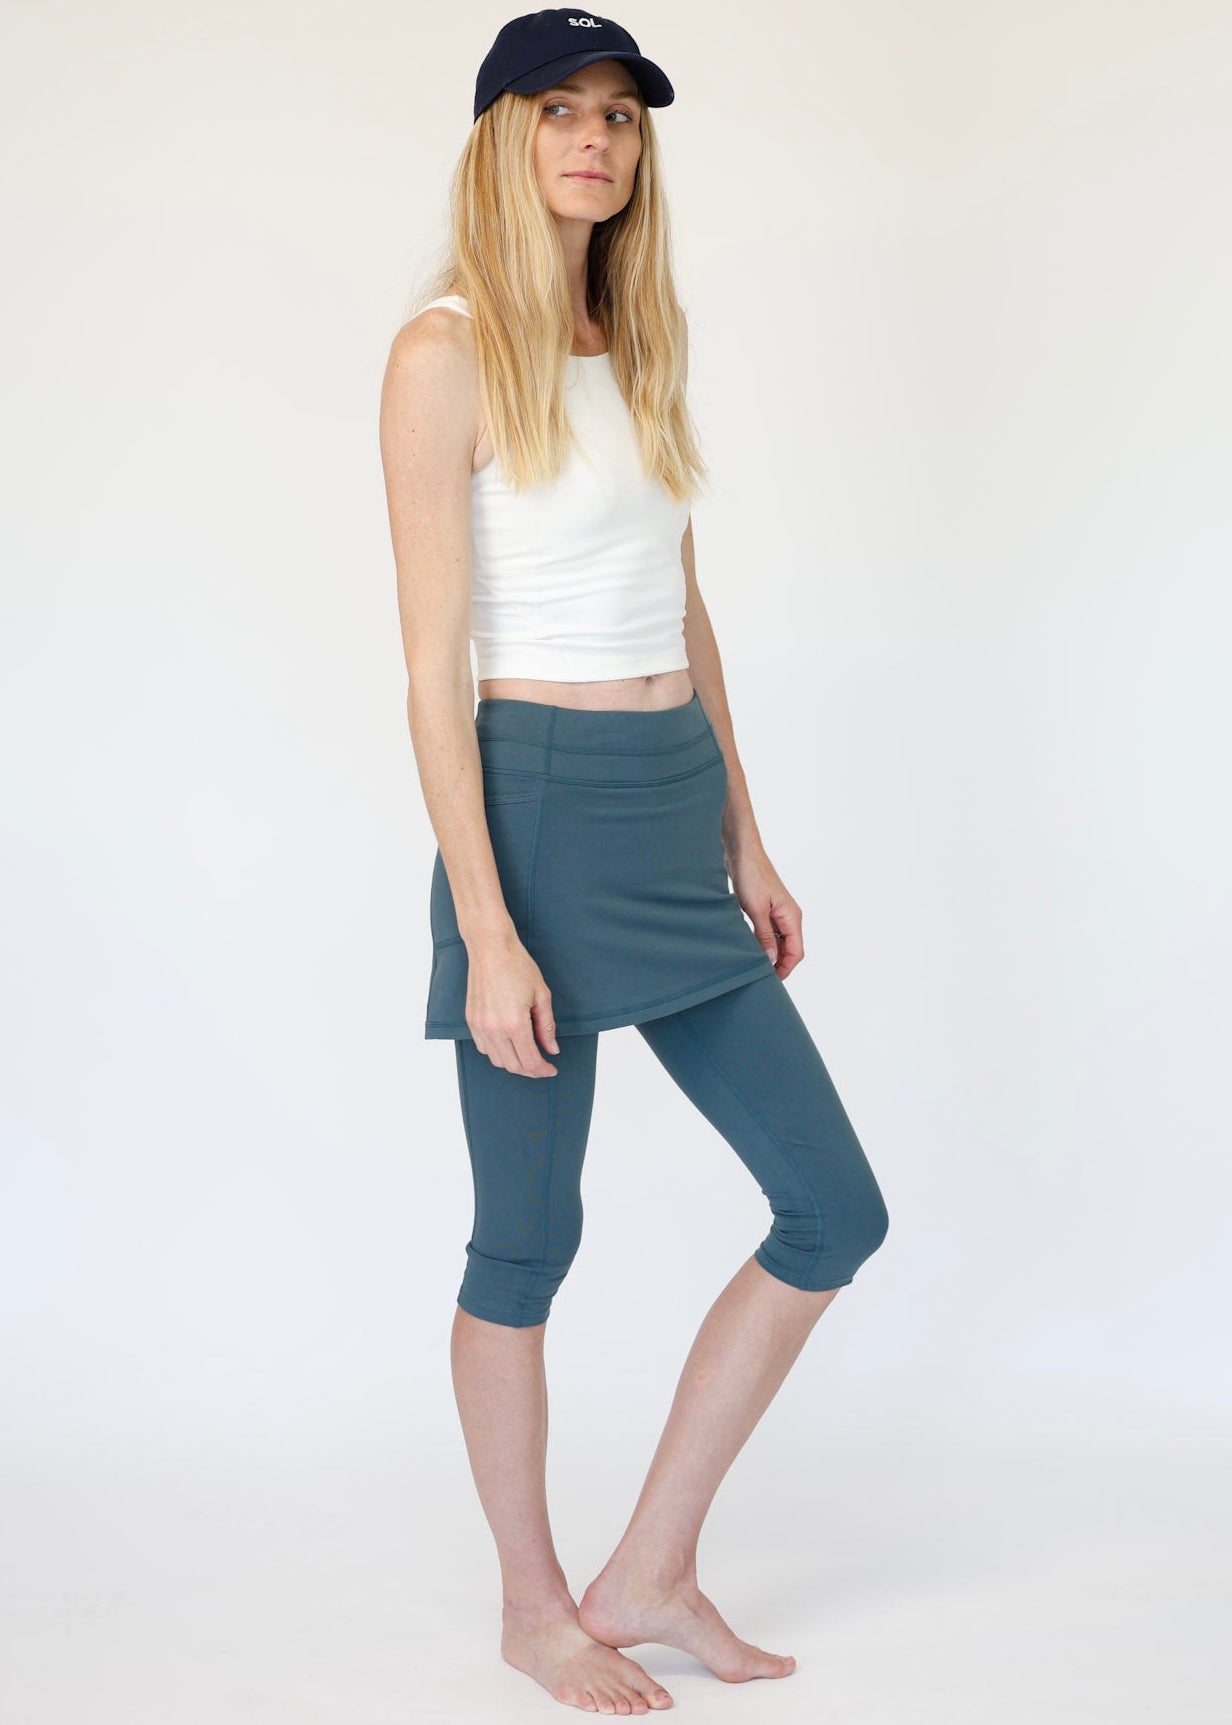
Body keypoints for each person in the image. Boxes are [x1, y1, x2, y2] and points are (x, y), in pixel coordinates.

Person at [379, 11, 890, 1716]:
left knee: (833, 1205)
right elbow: (431, 666)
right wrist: (486, 921)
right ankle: (537, 1606)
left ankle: (649, 1565)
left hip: (674, 804)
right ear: (502, 139)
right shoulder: (445, 351)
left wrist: (746, 825)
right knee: (526, 1241)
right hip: (533, 809)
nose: (593, 140)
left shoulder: (640, 338)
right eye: (559, 113)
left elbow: (683, 602)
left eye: (616, 117)